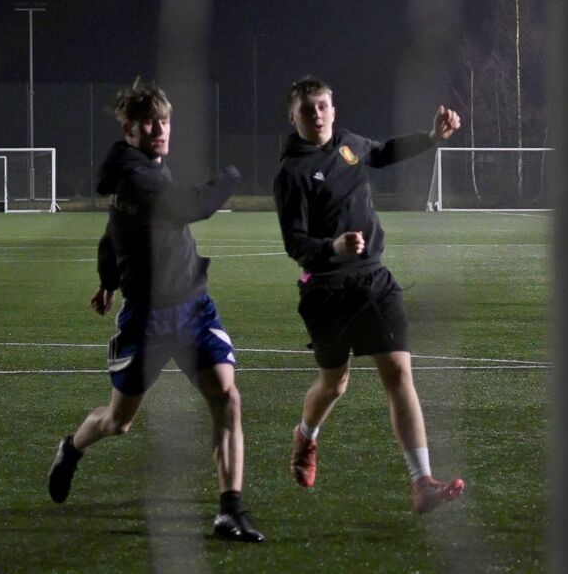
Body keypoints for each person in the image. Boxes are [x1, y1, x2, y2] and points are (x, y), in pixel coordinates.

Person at [46, 80, 263, 543]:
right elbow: (191, 206)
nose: (160, 129)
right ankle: (71, 448)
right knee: (118, 421)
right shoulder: (140, 176)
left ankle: (231, 510)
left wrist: (106, 280)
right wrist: (229, 179)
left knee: (227, 397)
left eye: (164, 120)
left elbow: (114, 232)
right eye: (149, 122)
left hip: (194, 305)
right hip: (149, 318)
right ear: (129, 128)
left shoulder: (142, 168)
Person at [274, 77, 465, 514]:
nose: (317, 115)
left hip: (374, 281)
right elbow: (294, 243)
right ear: (294, 117)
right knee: (334, 383)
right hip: (326, 290)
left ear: (334, 110)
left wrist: (432, 138)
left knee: (399, 373)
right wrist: (333, 248)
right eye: (307, 109)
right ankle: (306, 436)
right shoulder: (292, 173)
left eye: (323, 106)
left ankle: (423, 483)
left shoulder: (349, 144)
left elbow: (382, 153)